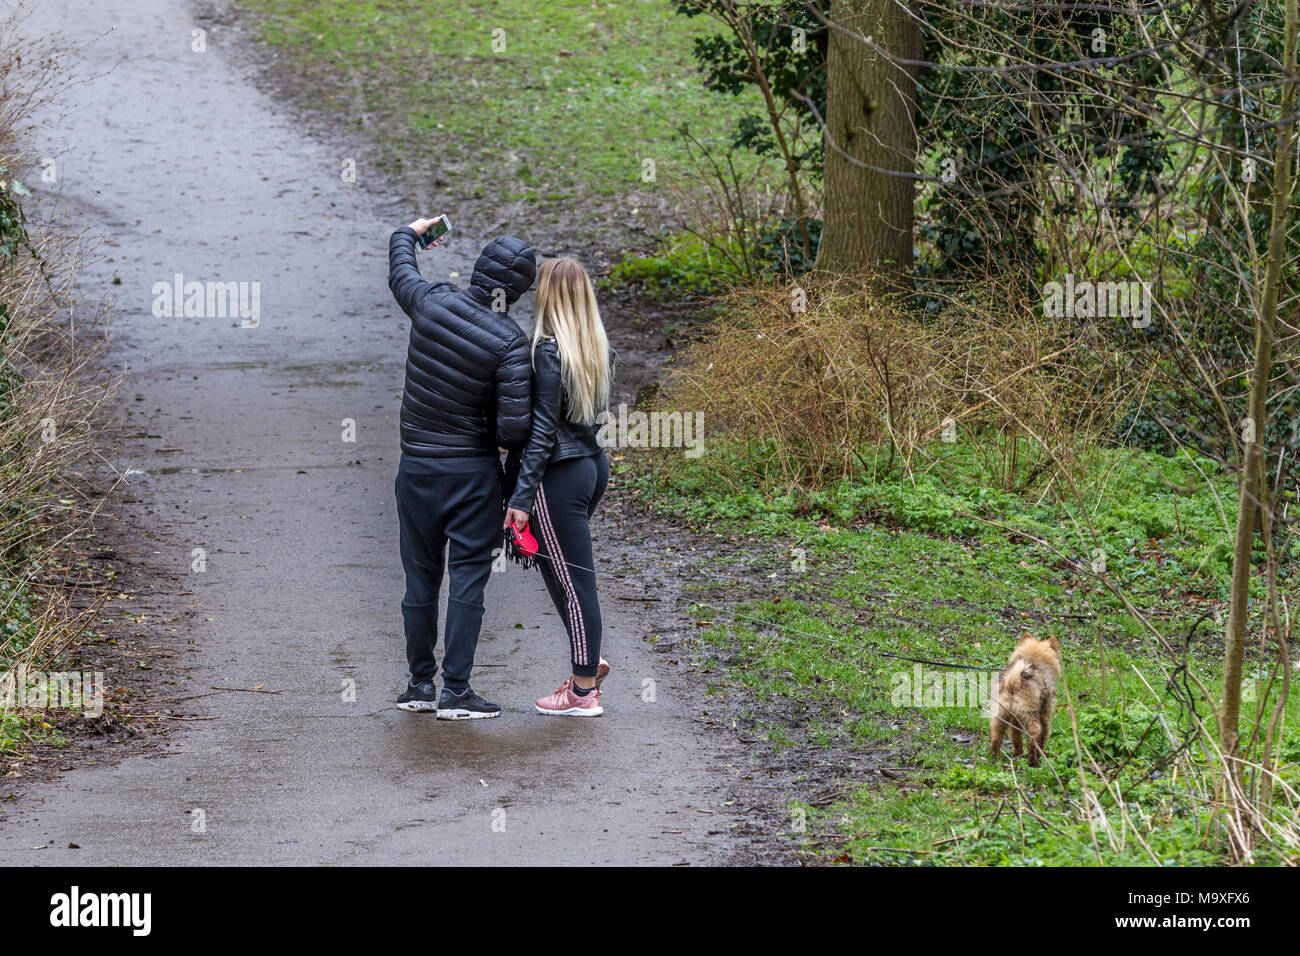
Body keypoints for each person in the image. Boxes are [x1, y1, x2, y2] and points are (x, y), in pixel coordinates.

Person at [387, 217, 535, 719]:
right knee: (468, 579)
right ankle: (457, 692)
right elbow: (514, 431)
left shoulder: (430, 300)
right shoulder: (511, 342)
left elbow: (400, 266)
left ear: (477, 268)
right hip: (471, 477)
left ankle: (418, 685)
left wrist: (413, 233)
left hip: (416, 471)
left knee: (419, 579)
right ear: (517, 292)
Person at [503, 258, 613, 717]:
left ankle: (584, 693)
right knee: (567, 575)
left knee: (573, 583)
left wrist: (521, 499)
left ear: (547, 296)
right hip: (591, 467)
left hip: (557, 477)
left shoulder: (548, 352)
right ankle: (587, 660)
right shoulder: (597, 347)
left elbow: (542, 433)